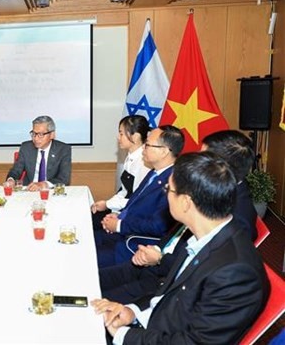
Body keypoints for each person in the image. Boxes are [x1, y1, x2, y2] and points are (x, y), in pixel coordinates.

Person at [92, 152, 269, 344]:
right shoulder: (203, 237)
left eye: (169, 189)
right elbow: (170, 296)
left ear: (186, 202)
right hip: (150, 325)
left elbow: (194, 342)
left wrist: (123, 335)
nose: (165, 194)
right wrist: (132, 312)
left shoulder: (235, 273)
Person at [99, 129, 258, 304]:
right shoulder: (208, 191)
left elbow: (195, 271)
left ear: (219, 168)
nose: (196, 160)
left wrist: (159, 259)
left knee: (91, 299)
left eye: (202, 156)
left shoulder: (237, 218)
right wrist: (156, 251)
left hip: (163, 283)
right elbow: (176, 234)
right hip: (150, 262)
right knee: (88, 280)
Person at [95, 125, 184, 268]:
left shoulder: (174, 181)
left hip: (136, 245)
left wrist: (119, 225)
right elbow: (135, 203)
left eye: (147, 145)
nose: (143, 148)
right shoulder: (155, 172)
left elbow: (158, 226)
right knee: (82, 240)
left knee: (85, 259)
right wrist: (119, 217)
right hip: (123, 233)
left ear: (164, 152)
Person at [91, 115, 151, 213]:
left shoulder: (144, 163)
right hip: (123, 208)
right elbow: (124, 191)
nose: (118, 137)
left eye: (121, 134)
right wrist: (109, 205)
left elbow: (138, 200)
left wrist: (107, 205)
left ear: (135, 137)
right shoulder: (130, 157)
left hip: (134, 213)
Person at [5, 115, 71, 191]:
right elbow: (16, 170)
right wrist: (11, 179)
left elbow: (64, 179)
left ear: (52, 135)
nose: (35, 138)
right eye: (34, 134)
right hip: (29, 190)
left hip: (50, 191)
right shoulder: (26, 147)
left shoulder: (63, 149)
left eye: (41, 134)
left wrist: (43, 184)